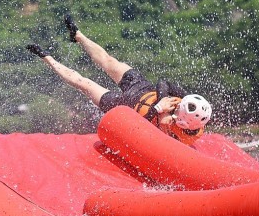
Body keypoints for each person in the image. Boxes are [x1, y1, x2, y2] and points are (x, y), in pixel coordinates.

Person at [26, 12, 212, 147]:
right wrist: (162, 102)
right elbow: (164, 82)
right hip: (141, 87)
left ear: (183, 122)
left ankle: (46, 57)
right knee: (109, 61)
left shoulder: (178, 138)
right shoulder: (187, 106)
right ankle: (78, 35)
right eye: (180, 104)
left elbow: (138, 130)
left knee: (84, 83)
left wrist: (157, 111)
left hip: (123, 107)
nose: (177, 106)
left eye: (178, 110)